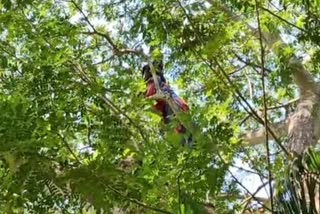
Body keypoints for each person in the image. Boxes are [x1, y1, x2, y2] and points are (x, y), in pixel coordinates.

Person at [142, 61, 191, 144]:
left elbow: (150, 97)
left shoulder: (154, 81)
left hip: (172, 107)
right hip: (179, 109)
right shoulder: (163, 83)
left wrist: (144, 101)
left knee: (176, 136)